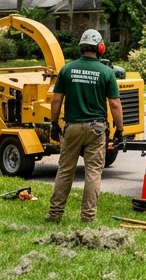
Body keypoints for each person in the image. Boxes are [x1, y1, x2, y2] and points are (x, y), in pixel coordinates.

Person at [47, 29, 122, 223]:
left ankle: (55, 214)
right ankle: (88, 218)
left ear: (81, 47)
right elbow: (115, 104)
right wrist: (120, 130)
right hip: (96, 129)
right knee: (93, 173)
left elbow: (56, 100)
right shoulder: (106, 72)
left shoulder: (67, 69)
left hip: (72, 127)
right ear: (100, 48)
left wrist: (54, 124)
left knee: (65, 170)